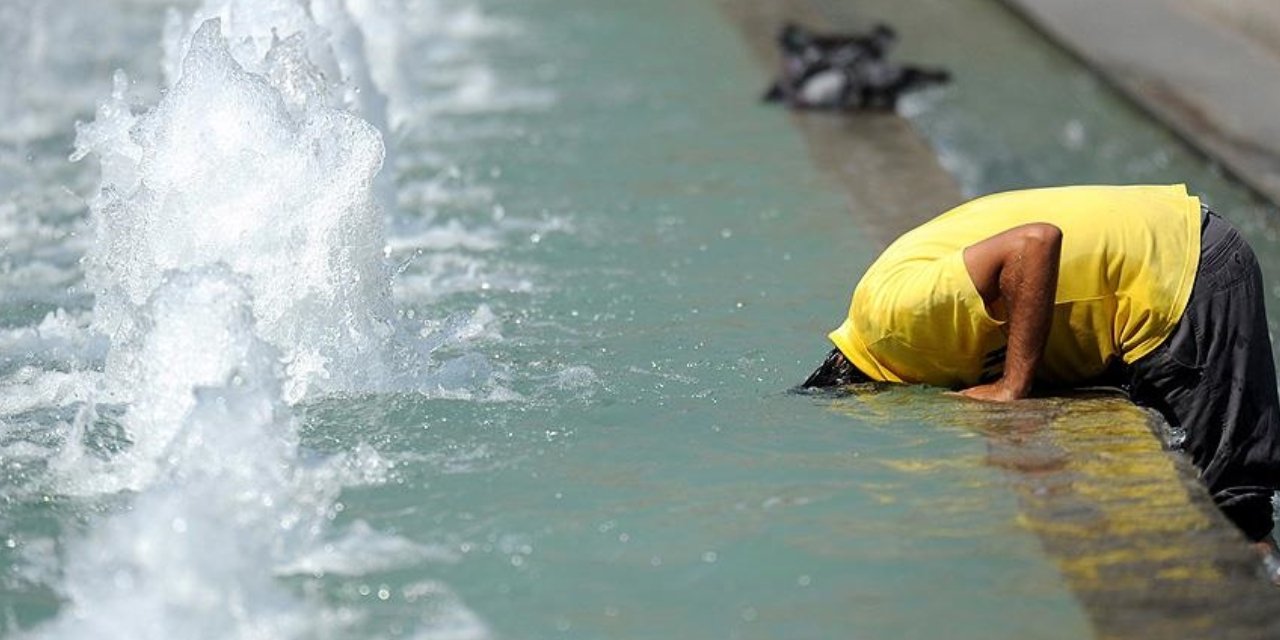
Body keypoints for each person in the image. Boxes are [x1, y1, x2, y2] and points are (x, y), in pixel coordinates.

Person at [803, 184, 1280, 555]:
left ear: (865, 392)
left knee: (1236, 518)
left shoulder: (894, 322)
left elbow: (1035, 242)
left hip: (1182, 276)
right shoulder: (891, 327)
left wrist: (1013, 386)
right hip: (1164, 259)